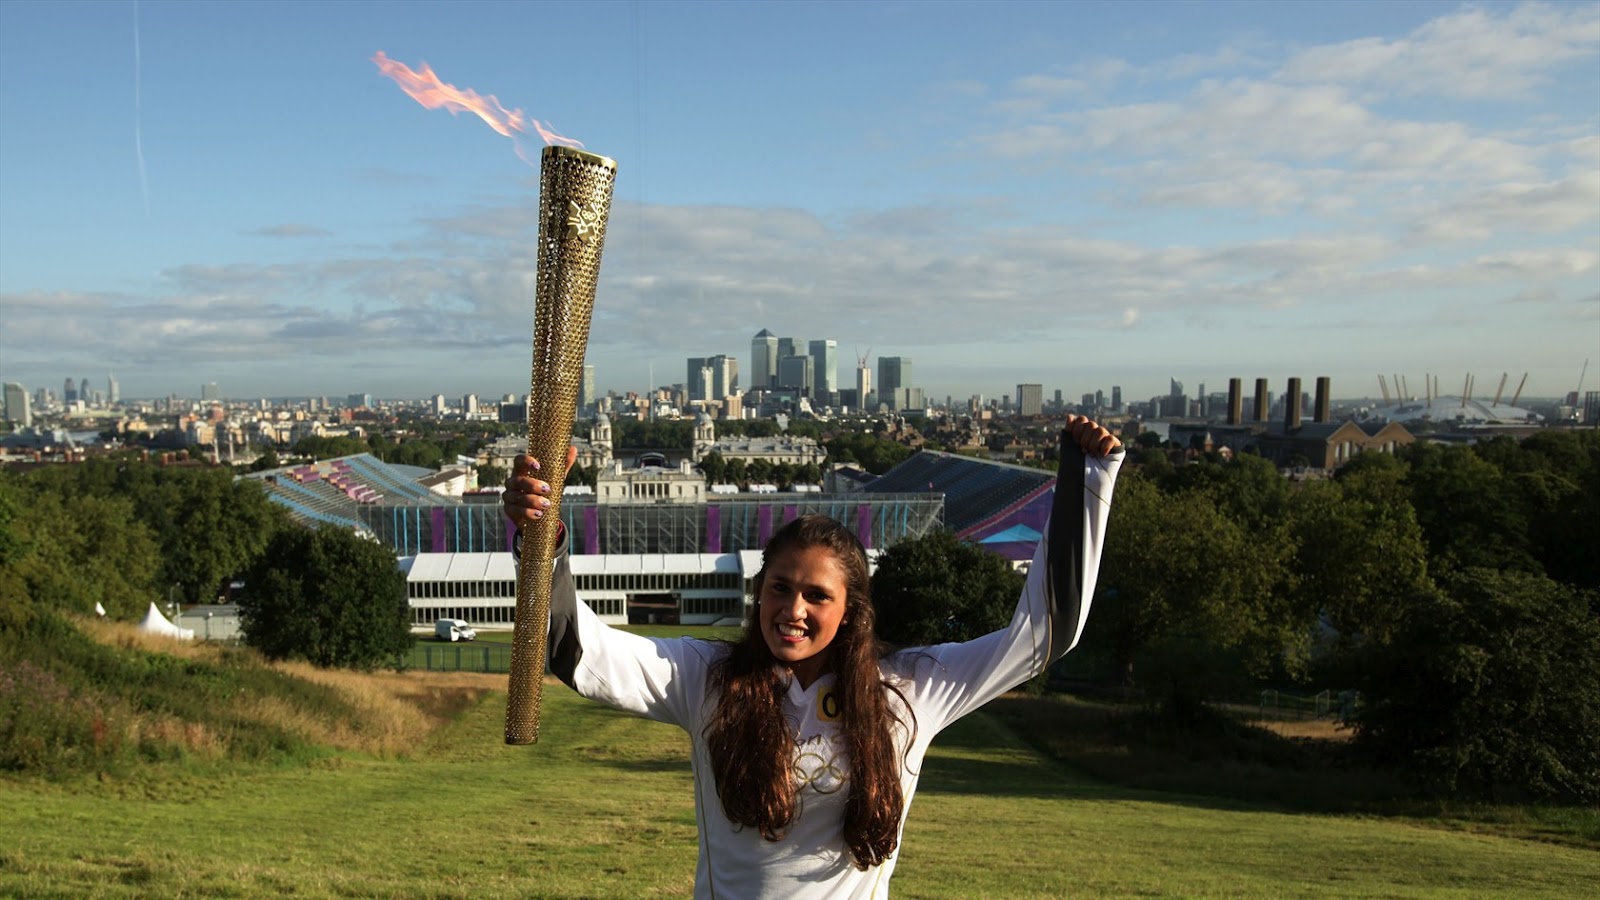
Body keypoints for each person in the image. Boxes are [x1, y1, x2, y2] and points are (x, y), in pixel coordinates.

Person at [502, 414, 1123, 899]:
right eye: (779, 587)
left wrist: (1088, 478)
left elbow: (1043, 635)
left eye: (817, 595)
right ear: (760, 590)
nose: (792, 609)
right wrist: (541, 538)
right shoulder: (707, 679)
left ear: (851, 609)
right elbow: (574, 649)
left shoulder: (910, 689)